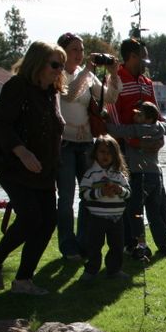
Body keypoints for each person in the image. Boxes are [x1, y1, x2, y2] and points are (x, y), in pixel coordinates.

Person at [0, 41, 66, 296]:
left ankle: (23, 281)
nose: (58, 70)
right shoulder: (17, 86)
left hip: (44, 170)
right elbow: (2, 125)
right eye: (54, 64)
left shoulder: (50, 92)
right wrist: (22, 152)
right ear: (37, 62)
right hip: (15, 166)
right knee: (30, 217)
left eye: (61, 66)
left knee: (48, 220)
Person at [110, 37, 166, 258]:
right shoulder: (116, 81)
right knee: (131, 201)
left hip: (151, 153)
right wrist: (136, 141)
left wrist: (159, 135)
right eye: (143, 56)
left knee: (158, 196)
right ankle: (132, 244)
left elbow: (157, 115)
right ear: (132, 56)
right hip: (127, 151)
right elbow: (114, 121)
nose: (146, 62)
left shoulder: (147, 82)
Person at [55, 32, 121, 261]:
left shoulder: (90, 76)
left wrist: (113, 74)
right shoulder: (58, 72)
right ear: (62, 51)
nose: (79, 54)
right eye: (74, 49)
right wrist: (86, 70)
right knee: (65, 198)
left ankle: (84, 243)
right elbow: (70, 94)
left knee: (88, 194)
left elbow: (111, 98)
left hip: (85, 144)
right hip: (64, 144)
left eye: (81, 50)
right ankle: (67, 245)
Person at [106, 102, 166, 260]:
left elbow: (114, 130)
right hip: (156, 174)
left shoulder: (137, 129)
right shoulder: (159, 127)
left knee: (135, 211)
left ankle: (141, 245)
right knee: (154, 211)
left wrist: (104, 118)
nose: (134, 117)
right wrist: (162, 118)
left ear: (148, 119)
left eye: (139, 115)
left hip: (140, 175)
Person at [78, 135, 131, 280]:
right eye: (102, 152)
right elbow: (84, 194)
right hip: (96, 217)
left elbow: (128, 194)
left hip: (117, 218)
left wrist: (120, 190)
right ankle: (91, 271)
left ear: (116, 155)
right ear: (95, 153)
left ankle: (114, 270)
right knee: (94, 246)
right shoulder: (91, 174)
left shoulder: (120, 175)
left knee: (117, 246)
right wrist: (100, 192)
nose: (105, 155)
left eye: (109, 153)